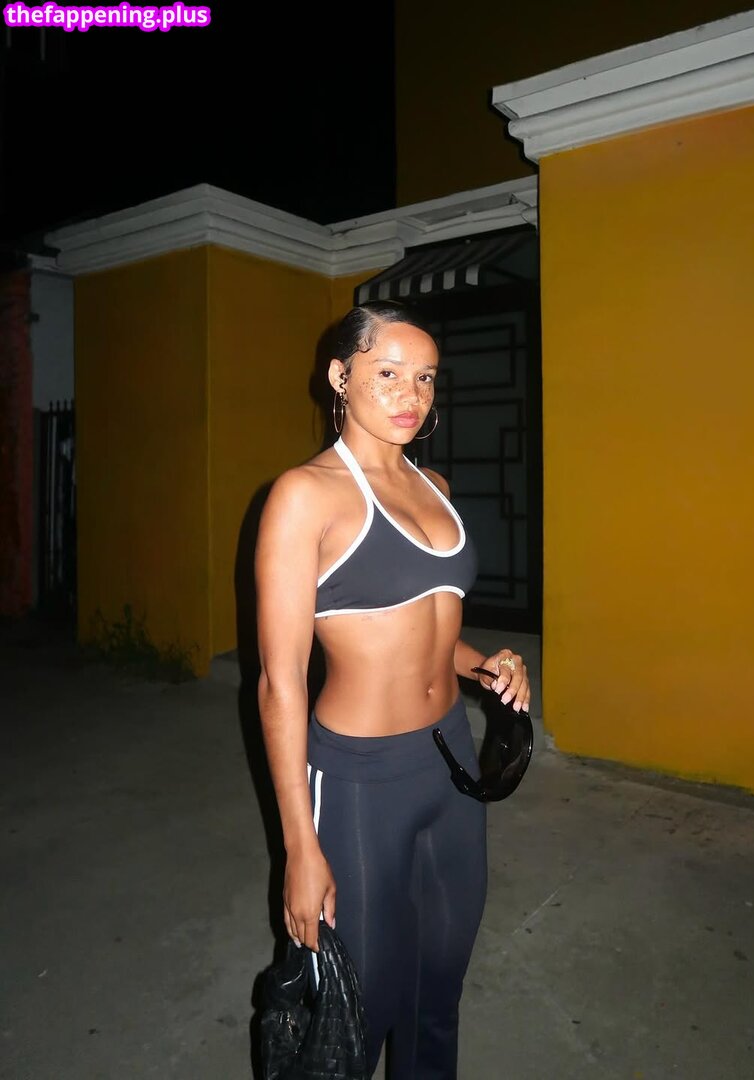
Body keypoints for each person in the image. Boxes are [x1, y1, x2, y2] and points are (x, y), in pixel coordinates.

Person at [255, 301, 531, 1079]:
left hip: (451, 762)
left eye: (425, 378)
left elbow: (434, 632)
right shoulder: (304, 496)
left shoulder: (432, 484)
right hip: (358, 777)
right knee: (361, 1006)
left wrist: (486, 667)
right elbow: (279, 682)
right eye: (387, 373)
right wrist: (298, 848)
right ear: (340, 377)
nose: (410, 394)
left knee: (438, 991)